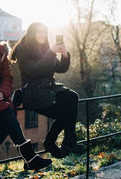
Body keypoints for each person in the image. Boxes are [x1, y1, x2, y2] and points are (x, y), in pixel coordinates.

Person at [0, 13, 51, 179]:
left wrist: (3, 92)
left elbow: (8, 77)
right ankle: (28, 156)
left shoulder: (1, 49)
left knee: (6, 115)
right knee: (7, 112)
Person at [10, 22, 80, 159]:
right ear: (32, 33)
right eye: (39, 32)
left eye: (45, 32)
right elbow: (35, 70)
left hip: (50, 90)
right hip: (34, 94)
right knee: (64, 115)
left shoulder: (45, 48)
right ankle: (58, 142)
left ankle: (67, 140)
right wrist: (51, 53)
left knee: (72, 96)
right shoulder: (23, 50)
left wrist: (65, 55)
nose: (43, 35)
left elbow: (61, 68)